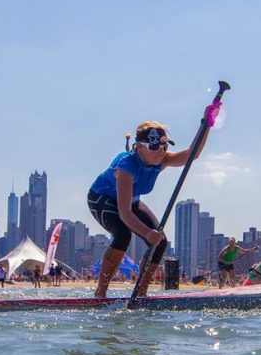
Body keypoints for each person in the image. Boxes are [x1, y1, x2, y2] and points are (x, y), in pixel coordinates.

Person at [88, 118, 213, 298]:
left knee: (160, 242)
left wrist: (206, 124)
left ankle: (141, 293)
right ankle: (100, 294)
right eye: (154, 147)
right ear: (139, 147)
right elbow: (124, 213)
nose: (161, 152)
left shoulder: (162, 159)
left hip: (132, 202)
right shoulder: (126, 166)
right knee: (123, 235)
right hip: (102, 198)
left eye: (164, 146)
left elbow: (191, 155)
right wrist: (147, 233)